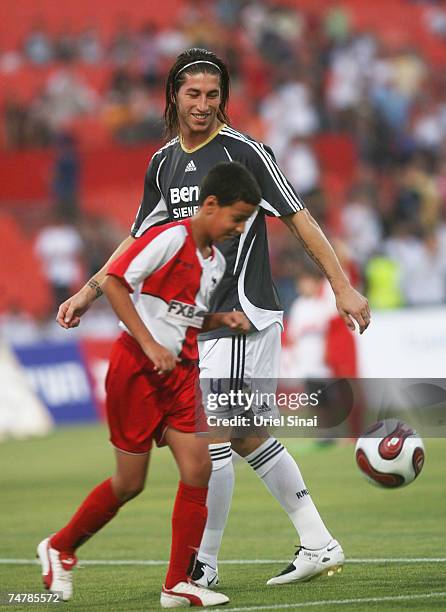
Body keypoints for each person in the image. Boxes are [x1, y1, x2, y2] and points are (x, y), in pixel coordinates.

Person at [56, 48, 371, 587]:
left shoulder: (245, 152)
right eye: (192, 94)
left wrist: (341, 285)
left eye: (212, 95)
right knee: (245, 434)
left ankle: (202, 564)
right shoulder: (164, 162)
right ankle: (318, 542)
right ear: (173, 97)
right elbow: (139, 237)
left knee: (213, 436)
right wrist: (90, 291)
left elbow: (298, 217)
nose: (203, 105)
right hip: (196, 324)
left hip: (240, 314)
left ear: (223, 98)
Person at [38, 161, 258, 607]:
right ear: (210, 205)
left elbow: (181, 312)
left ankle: (177, 583)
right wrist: (150, 344)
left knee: (200, 467)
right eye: (237, 218)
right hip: (137, 370)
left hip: (180, 375)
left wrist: (218, 319)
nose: (239, 228)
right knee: (129, 483)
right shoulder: (169, 237)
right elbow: (118, 283)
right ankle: (59, 546)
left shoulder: (214, 262)